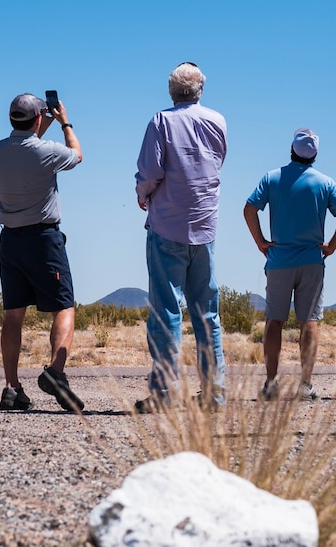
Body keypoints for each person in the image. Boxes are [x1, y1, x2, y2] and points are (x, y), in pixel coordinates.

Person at [134, 62, 229, 412]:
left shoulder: (161, 122)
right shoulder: (217, 121)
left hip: (167, 225)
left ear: (171, 91)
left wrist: (143, 194)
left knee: (166, 312)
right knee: (208, 314)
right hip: (204, 227)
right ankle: (215, 392)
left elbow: (150, 170)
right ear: (201, 89)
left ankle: (164, 394)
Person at [0, 91, 84, 414]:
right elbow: (76, 155)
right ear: (38, 119)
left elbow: (23, 149)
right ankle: (55, 371)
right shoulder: (47, 152)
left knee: (13, 314)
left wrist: (40, 125)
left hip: (10, 241)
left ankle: (11, 387)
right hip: (43, 240)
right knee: (64, 307)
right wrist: (64, 122)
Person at [243, 129, 336, 400]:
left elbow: (249, 209)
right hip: (312, 261)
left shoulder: (272, 178)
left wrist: (261, 242)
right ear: (314, 154)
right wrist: (331, 246)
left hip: (279, 259)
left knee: (274, 321)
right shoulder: (325, 182)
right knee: (309, 323)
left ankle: (271, 383)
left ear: (291, 149)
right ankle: (305, 384)